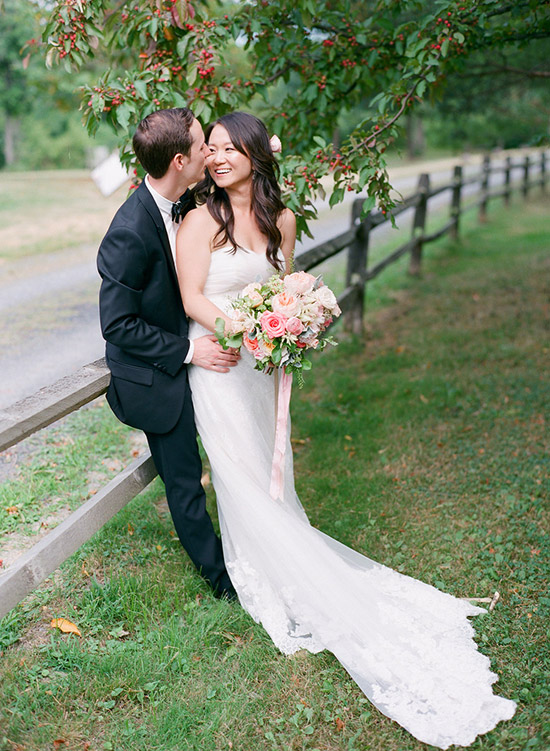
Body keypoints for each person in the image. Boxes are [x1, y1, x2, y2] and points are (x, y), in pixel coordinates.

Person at [175, 111, 516, 748]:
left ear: (254, 153)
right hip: (222, 365)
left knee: (270, 471)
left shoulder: (280, 221)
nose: (217, 158)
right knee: (238, 472)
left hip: (263, 368)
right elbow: (192, 296)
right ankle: (267, 576)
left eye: (227, 148)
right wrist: (240, 333)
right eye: (210, 150)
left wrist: (292, 326)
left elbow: (286, 288)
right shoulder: (200, 220)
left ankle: (288, 559)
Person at [97, 107, 239, 600]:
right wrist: (187, 351)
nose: (210, 154)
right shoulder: (128, 232)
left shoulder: (186, 195)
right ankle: (224, 583)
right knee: (185, 483)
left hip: (204, 357)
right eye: (203, 147)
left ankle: (250, 547)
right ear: (180, 160)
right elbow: (116, 325)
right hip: (157, 377)